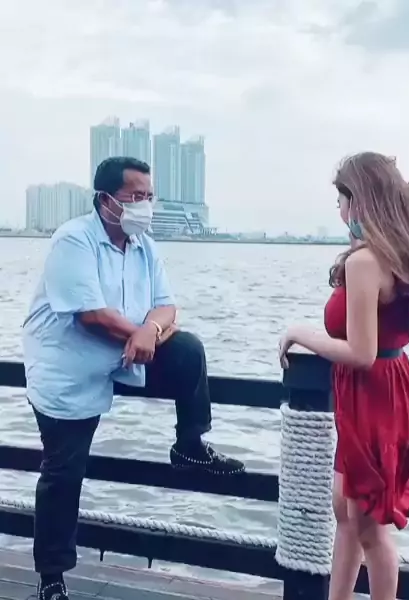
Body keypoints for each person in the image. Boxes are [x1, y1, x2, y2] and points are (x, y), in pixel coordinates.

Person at [23, 156, 245, 600]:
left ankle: (190, 444)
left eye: (149, 196)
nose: (145, 205)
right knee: (64, 472)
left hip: (126, 354)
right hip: (67, 366)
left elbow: (167, 307)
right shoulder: (74, 240)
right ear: (106, 200)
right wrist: (144, 333)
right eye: (135, 196)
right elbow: (91, 314)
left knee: (187, 351)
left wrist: (152, 330)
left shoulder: (144, 245)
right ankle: (52, 578)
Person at [278, 152, 409, 600]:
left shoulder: (364, 262)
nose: (339, 210)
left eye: (342, 199)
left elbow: (361, 353)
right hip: (386, 388)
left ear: (358, 200)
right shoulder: (394, 254)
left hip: (372, 394)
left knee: (370, 528)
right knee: (347, 512)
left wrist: (301, 333)